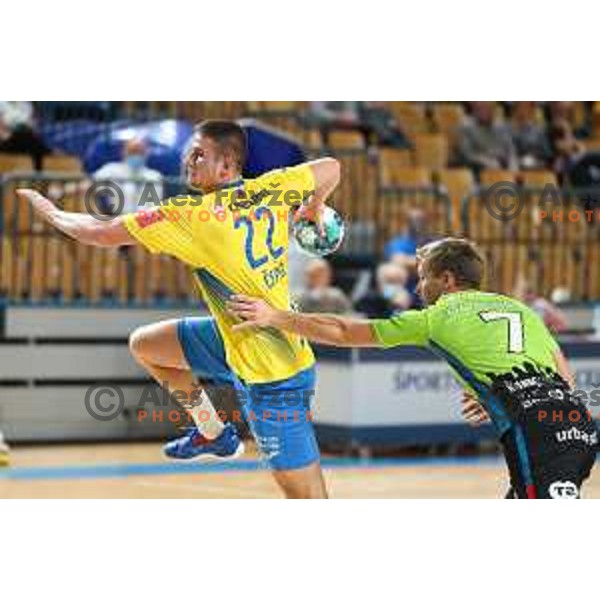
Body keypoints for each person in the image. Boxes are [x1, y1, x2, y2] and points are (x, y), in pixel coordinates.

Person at [17, 119, 341, 499]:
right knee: (147, 345)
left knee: (307, 498)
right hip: (237, 339)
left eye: (199, 154)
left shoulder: (193, 216)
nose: (188, 159)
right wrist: (314, 205)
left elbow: (101, 232)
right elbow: (332, 167)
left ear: (227, 166)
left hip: (275, 377)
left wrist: (52, 213)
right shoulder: (273, 186)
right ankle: (212, 432)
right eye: (189, 151)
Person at [227, 238, 598, 499]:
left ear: (448, 279)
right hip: (577, 425)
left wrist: (275, 316)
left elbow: (342, 330)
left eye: (424, 276)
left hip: (535, 434)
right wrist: (507, 397)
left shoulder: (436, 317)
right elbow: (562, 375)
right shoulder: (520, 308)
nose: (419, 286)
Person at [93, 138, 164, 214]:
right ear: (124, 152)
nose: (136, 155)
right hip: (116, 219)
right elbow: (90, 183)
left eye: (140, 152)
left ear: (146, 153)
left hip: (144, 221)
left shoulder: (154, 177)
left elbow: (155, 207)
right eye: (132, 151)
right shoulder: (110, 170)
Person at [457, 101, 518, 173]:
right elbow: (467, 154)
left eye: (486, 108)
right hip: (480, 168)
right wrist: (486, 161)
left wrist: (513, 162)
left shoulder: (501, 126)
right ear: (474, 110)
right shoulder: (466, 127)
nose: (483, 112)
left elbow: (510, 149)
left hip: (504, 166)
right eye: (480, 109)